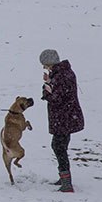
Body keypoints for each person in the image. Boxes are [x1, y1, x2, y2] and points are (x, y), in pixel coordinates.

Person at [39, 49, 85, 193]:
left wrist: (46, 89)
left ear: (50, 62)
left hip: (64, 118)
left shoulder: (61, 76)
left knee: (59, 147)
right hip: (67, 117)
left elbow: (56, 98)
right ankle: (64, 178)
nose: (44, 67)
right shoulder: (62, 73)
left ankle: (66, 183)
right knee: (60, 146)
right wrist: (49, 82)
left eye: (45, 64)